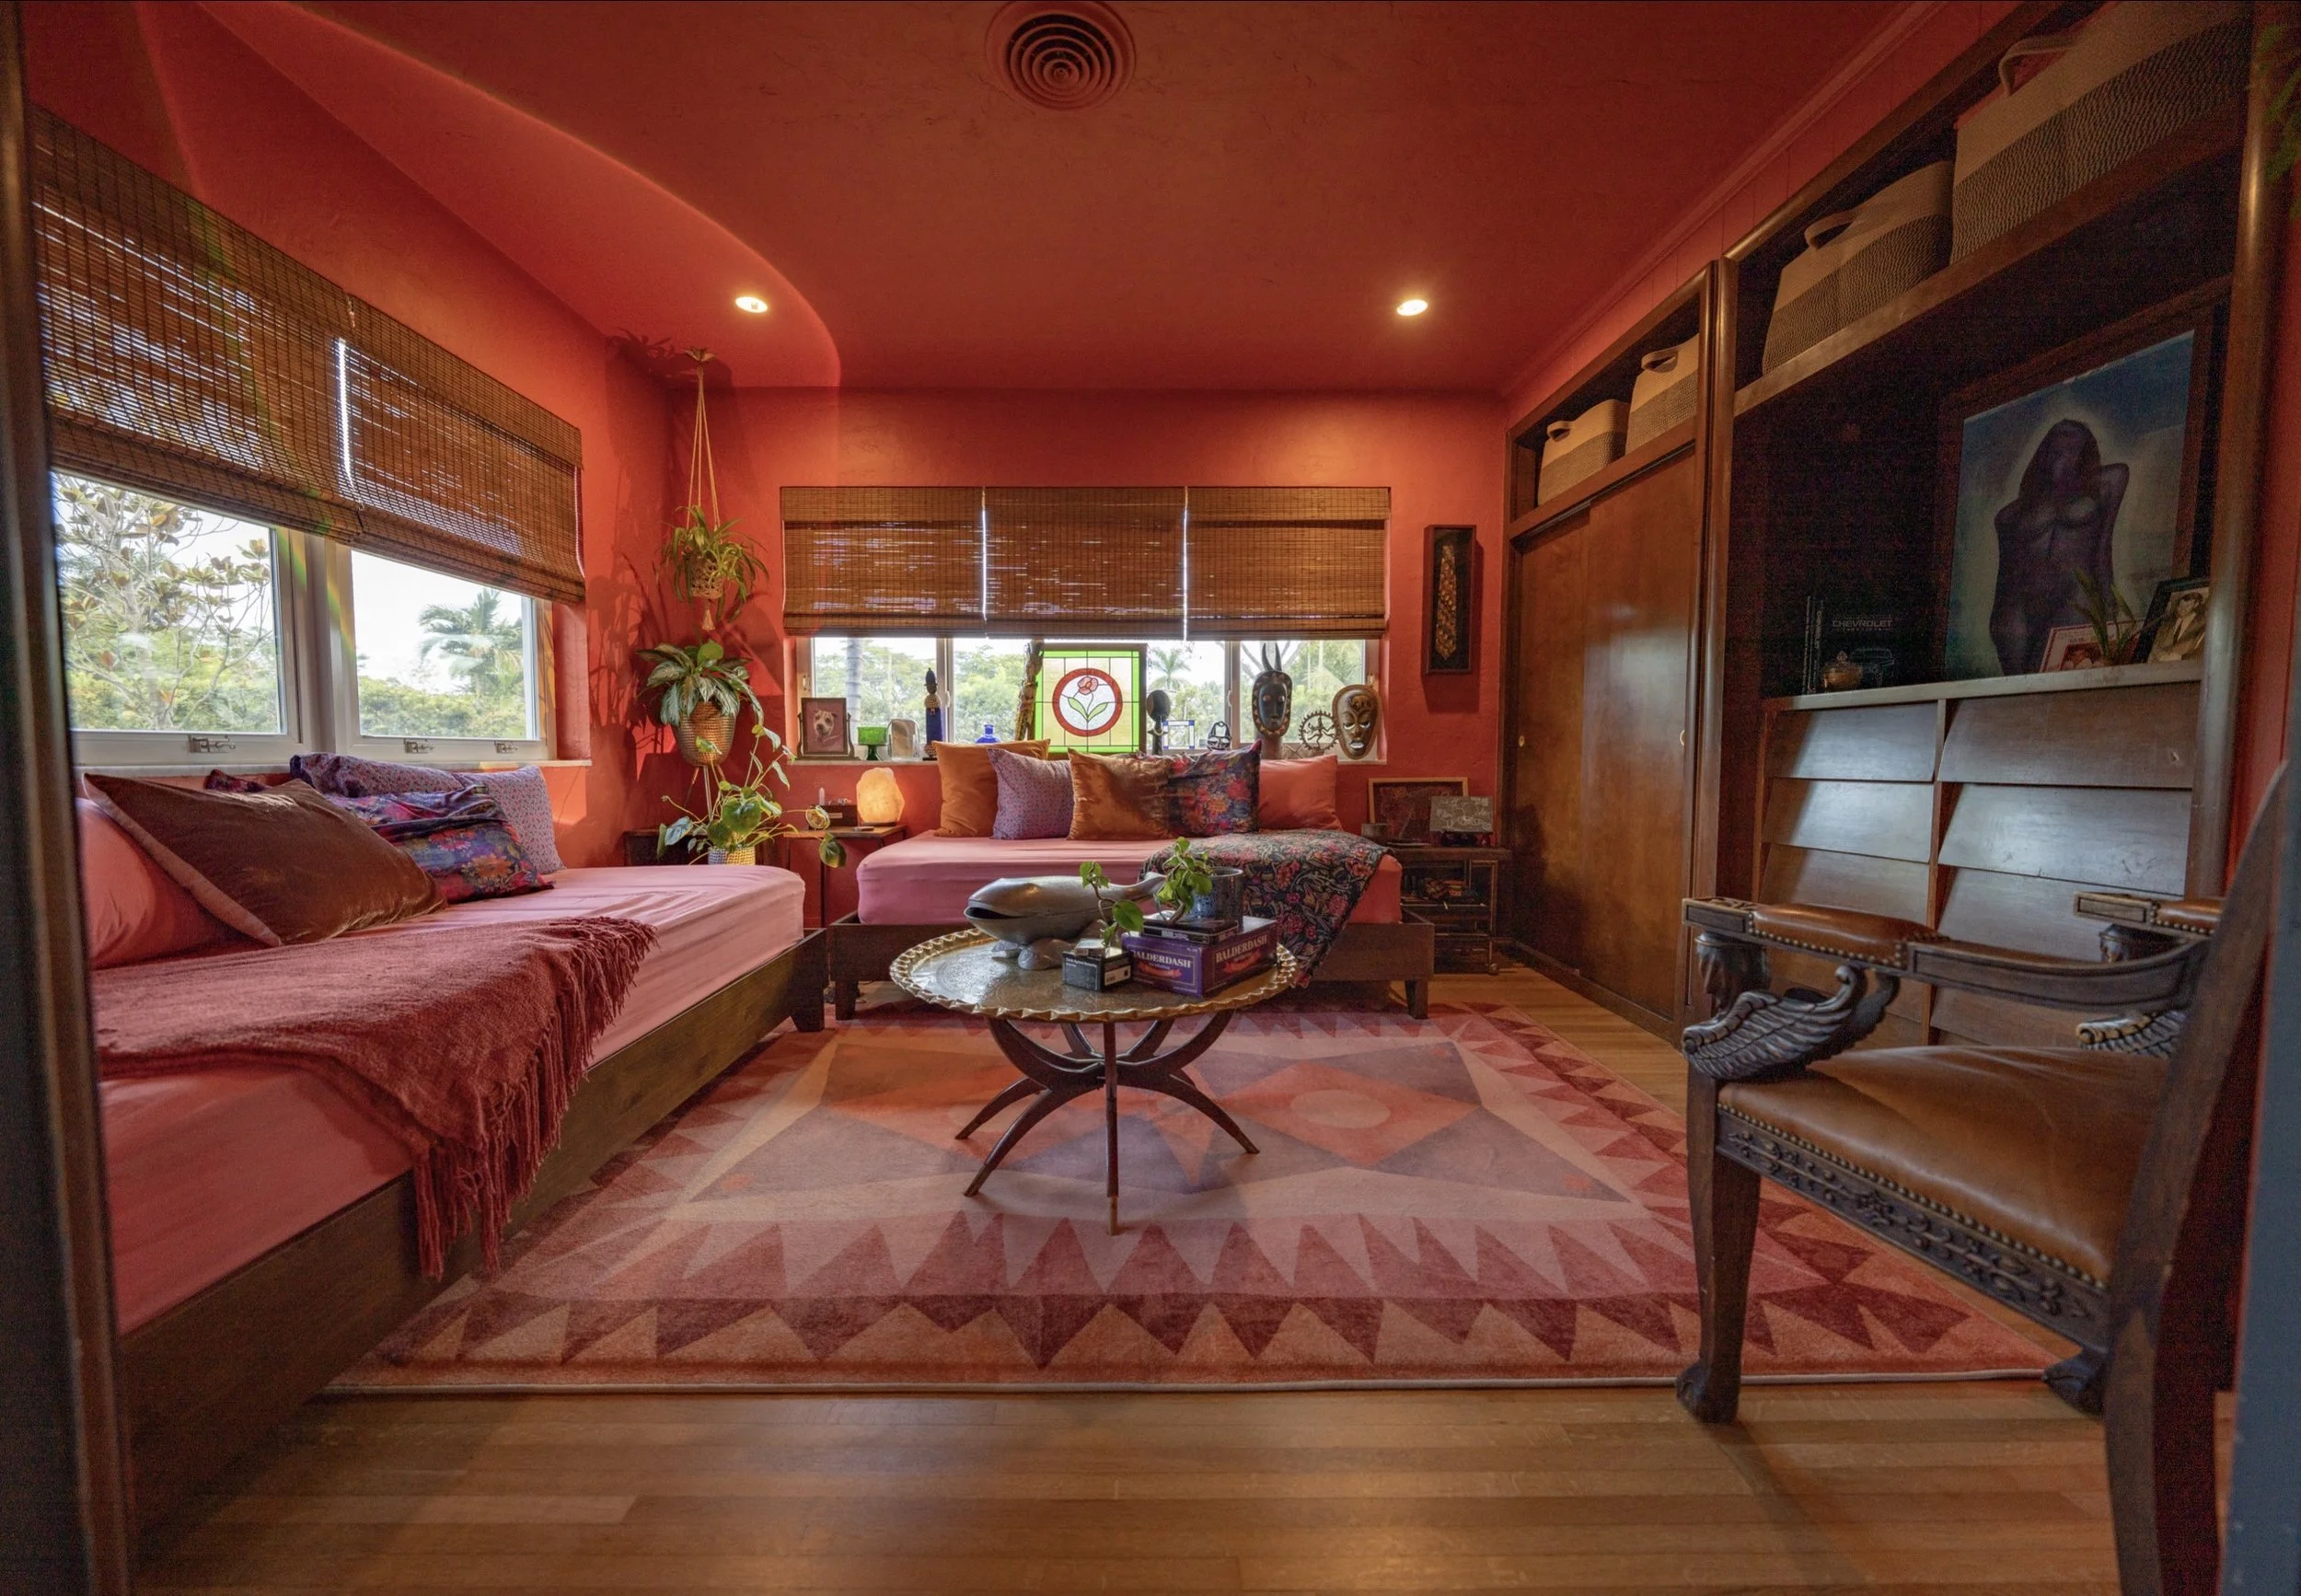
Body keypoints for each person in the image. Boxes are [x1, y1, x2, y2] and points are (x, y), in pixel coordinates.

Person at [1989, 419, 2127, 676]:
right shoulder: (2011, 513)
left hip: (2072, 595)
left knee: (2054, 689)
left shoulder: (2106, 483)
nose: (2063, 455)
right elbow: (2006, 570)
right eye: (2056, 448)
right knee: (2014, 696)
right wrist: (1997, 619)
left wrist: (2108, 599)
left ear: (2085, 454)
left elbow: (2103, 545)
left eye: (2073, 449)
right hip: (2018, 604)